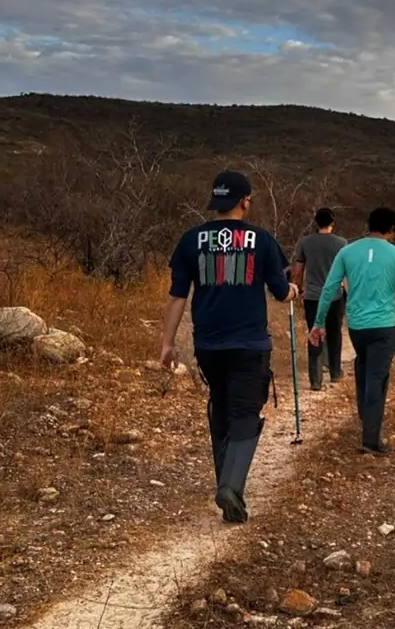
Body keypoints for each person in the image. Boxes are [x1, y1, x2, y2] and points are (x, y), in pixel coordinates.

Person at [159, 170, 298, 523]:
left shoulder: (192, 240)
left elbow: (177, 297)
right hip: (250, 343)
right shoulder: (262, 239)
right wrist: (294, 291)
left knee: (220, 407)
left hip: (209, 344)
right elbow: (281, 292)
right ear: (243, 201)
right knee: (245, 413)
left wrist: (167, 344)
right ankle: (231, 487)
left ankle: (226, 484)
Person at [309, 206, 395, 456]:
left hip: (357, 326)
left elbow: (330, 288)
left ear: (369, 225)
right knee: (376, 377)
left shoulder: (347, 251)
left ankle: (365, 417)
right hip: (383, 327)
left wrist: (318, 322)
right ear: (392, 229)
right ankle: (371, 438)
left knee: (363, 366)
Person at [291, 208, 349, 391]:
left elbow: (298, 270)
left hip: (313, 296)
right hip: (335, 296)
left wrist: (298, 288)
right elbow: (348, 271)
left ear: (316, 222)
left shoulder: (306, 242)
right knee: (334, 332)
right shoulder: (342, 243)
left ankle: (315, 379)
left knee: (314, 333)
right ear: (333, 222)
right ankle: (335, 372)